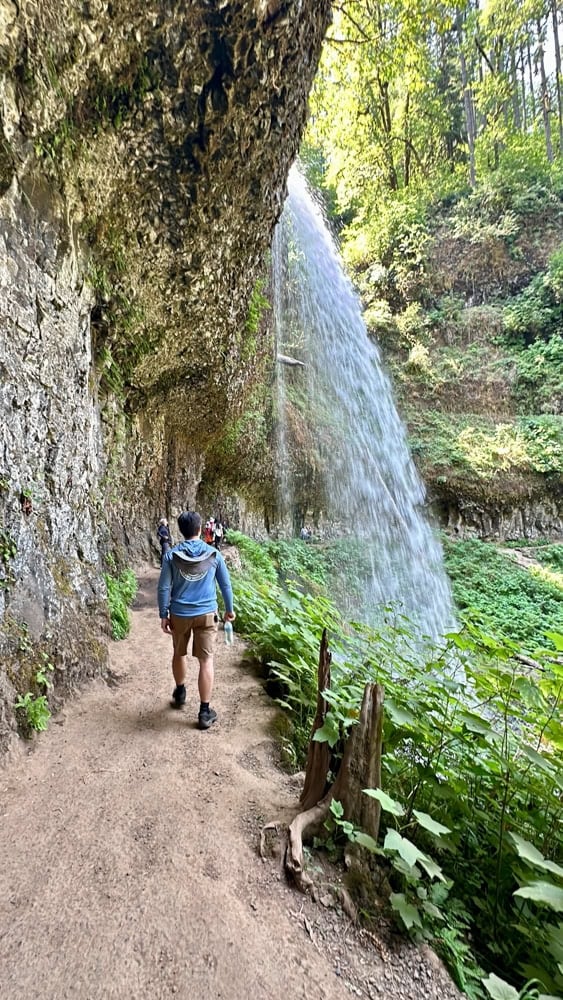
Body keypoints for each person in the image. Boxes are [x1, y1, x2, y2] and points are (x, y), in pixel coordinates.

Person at [158, 510, 236, 730]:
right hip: (206, 614)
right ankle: (204, 712)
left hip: (180, 614)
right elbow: (225, 586)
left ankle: (180, 690)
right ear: (201, 529)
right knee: (206, 660)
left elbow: (164, 587)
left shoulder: (171, 556)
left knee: (179, 652)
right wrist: (229, 610)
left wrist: (164, 614)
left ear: (180, 531)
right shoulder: (213, 554)